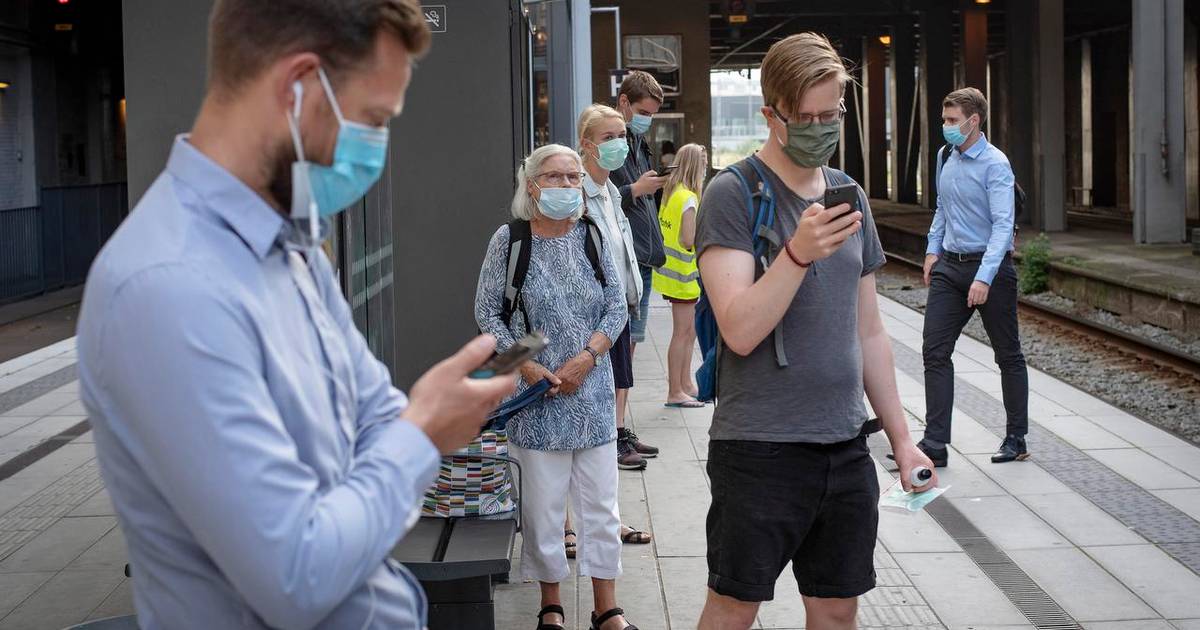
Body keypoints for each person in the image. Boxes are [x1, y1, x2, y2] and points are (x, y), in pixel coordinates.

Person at [74, 2, 517, 628]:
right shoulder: (168, 288)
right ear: (297, 84)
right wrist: (420, 436)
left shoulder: (291, 242)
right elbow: (298, 574)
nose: (377, 148)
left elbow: (373, 413)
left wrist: (402, 436)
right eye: (371, 119)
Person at [694, 33, 938, 630]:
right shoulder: (732, 194)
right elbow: (740, 330)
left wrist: (903, 442)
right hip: (759, 450)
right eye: (807, 117)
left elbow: (870, 330)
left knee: (835, 612)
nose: (821, 127)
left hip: (845, 445)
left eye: (832, 115)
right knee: (733, 609)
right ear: (771, 116)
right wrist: (796, 254)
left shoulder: (847, 194)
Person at [475, 144, 638, 630]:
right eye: (555, 177)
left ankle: (606, 608)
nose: (567, 186)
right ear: (532, 185)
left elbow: (616, 306)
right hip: (535, 402)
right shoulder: (510, 240)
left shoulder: (591, 235)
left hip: (591, 396)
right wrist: (526, 366)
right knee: (544, 514)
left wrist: (587, 359)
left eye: (573, 178)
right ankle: (552, 604)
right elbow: (488, 314)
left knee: (602, 511)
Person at [920, 87, 1029, 466]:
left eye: (952, 120)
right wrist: (933, 250)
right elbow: (941, 208)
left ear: (973, 121)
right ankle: (935, 444)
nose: (945, 126)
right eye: (944, 119)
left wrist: (984, 278)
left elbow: (1004, 225)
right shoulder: (944, 155)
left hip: (991, 270)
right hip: (949, 267)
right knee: (935, 351)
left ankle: (1017, 438)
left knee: (1007, 354)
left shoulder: (996, 164)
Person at [575, 104, 654, 552]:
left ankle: (602, 520)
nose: (620, 143)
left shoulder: (612, 193)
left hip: (617, 318)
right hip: (590, 328)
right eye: (609, 136)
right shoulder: (578, 194)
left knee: (603, 426)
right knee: (585, 428)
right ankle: (578, 524)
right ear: (587, 144)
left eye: (621, 134)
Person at [608, 69, 665, 467]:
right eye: (642, 111)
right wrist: (637, 190)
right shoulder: (612, 141)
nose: (646, 119)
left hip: (642, 255)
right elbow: (599, 195)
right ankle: (612, 433)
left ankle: (619, 428)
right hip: (626, 258)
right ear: (624, 103)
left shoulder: (638, 141)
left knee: (630, 346)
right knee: (620, 347)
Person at [652, 143, 707, 408]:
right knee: (683, 333)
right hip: (683, 276)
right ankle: (676, 390)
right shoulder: (689, 198)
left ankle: (685, 384)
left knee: (688, 332)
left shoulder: (672, 192)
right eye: (704, 164)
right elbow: (687, 239)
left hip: (672, 274)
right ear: (697, 166)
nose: (706, 169)